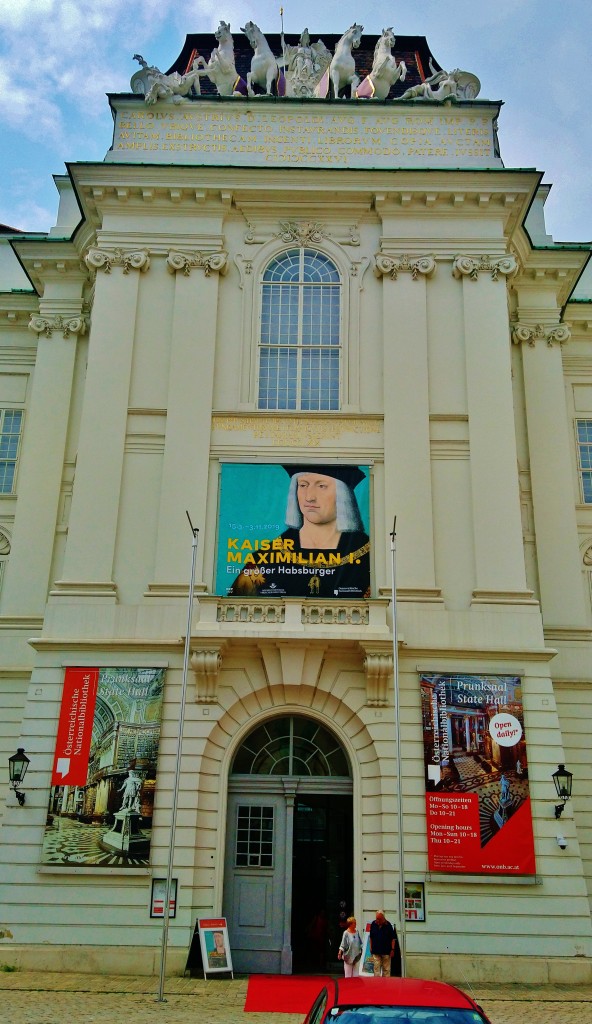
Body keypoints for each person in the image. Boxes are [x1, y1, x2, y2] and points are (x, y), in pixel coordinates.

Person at [229, 465, 370, 599]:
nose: (309, 497)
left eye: (322, 486)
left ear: (343, 494)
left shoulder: (369, 557)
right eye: (303, 485)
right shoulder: (265, 559)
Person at [369, 909, 400, 977]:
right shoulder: (373, 924)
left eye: (379, 919)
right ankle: (377, 983)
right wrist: (370, 947)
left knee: (386, 970)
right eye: (377, 918)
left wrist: (392, 949)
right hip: (376, 951)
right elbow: (371, 937)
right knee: (376, 969)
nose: (377, 920)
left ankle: (386, 983)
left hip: (386, 952)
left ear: (383, 918)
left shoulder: (388, 925)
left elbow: (393, 939)